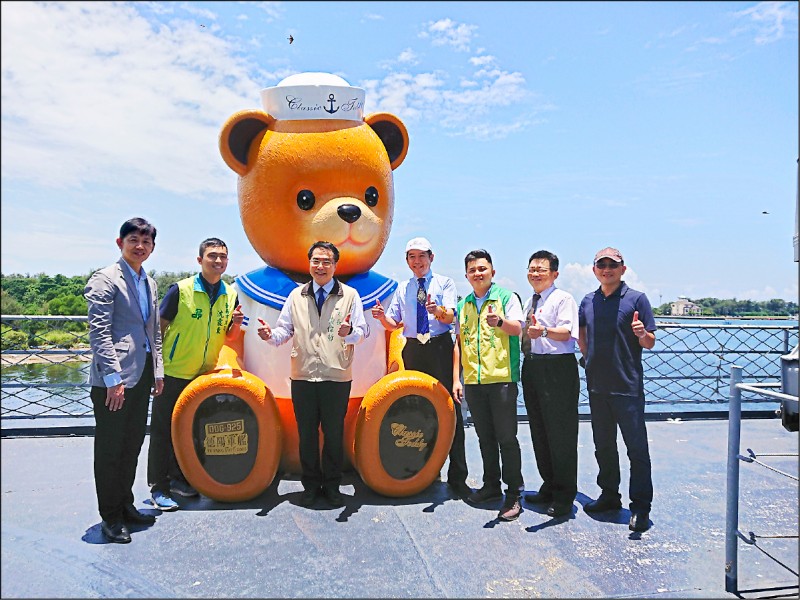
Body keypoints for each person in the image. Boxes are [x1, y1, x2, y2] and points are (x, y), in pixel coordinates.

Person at [257, 241, 367, 508]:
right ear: (309, 264)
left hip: (336, 375)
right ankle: (310, 486)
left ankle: (331, 485)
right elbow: (284, 330)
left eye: (326, 262)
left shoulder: (350, 295)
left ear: (335, 266)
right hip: (304, 375)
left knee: (333, 434)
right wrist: (270, 336)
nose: (321, 266)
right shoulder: (296, 296)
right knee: (306, 434)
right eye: (316, 261)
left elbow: (363, 331)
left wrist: (348, 334)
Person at [147, 238, 244, 511]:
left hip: (204, 376)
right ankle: (158, 486)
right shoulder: (181, 290)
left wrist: (236, 325)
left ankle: (180, 479)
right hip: (174, 372)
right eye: (212, 256)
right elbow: (158, 329)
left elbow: (227, 335)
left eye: (223, 257)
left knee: (192, 431)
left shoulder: (229, 294)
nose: (218, 261)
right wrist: (156, 369)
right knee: (163, 430)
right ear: (199, 260)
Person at [85, 217, 164, 544]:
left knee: (132, 444)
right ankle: (110, 517)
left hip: (142, 373)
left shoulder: (149, 282)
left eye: (146, 242)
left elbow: (154, 331)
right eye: (134, 240)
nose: (140, 246)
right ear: (121, 243)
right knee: (110, 450)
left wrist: (157, 371)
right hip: (113, 380)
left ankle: (126, 505)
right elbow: (99, 333)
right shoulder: (105, 279)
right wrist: (113, 379)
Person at [371, 237, 469, 499]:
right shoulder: (404, 288)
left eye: (422, 256)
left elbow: (450, 316)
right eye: (412, 257)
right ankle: (425, 469)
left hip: (439, 347)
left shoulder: (444, 283)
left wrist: (437, 310)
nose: (417, 261)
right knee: (419, 409)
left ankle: (458, 476)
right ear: (407, 261)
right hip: (413, 348)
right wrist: (382, 318)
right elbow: (395, 322)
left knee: (451, 407)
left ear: (431, 257)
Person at [578, 247, 657, 533]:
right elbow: (582, 333)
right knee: (604, 447)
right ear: (594, 269)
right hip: (597, 387)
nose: (607, 269)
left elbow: (650, 342)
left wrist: (641, 334)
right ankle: (609, 496)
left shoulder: (637, 299)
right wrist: (587, 360)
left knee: (636, 450)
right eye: (602, 264)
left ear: (623, 269)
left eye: (613, 264)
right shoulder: (588, 301)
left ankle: (640, 507)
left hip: (628, 388)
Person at [452, 249, 525, 521]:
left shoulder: (506, 298)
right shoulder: (464, 305)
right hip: (474, 381)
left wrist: (501, 322)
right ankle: (491, 485)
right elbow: (459, 343)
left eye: (482, 269)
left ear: (492, 272)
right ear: (467, 275)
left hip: (502, 379)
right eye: (472, 270)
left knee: (507, 438)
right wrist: (457, 379)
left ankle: (514, 493)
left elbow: (519, 328)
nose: (477, 273)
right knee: (484, 438)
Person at [519, 251, 580, 518]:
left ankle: (565, 494)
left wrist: (543, 331)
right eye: (532, 269)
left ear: (554, 273)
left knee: (561, 433)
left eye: (541, 269)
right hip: (533, 366)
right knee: (539, 429)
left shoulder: (563, 299)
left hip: (558, 368)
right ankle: (549, 484)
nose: (535, 273)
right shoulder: (530, 301)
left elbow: (567, 332)